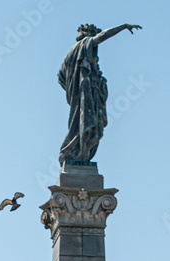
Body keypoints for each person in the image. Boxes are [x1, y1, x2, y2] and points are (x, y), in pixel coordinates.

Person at [58, 23, 142, 164]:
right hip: (85, 92)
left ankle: (79, 154)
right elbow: (103, 36)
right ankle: (74, 153)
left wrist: (73, 89)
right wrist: (123, 27)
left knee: (82, 123)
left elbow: (61, 77)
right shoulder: (83, 44)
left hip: (82, 92)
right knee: (84, 123)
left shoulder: (70, 53)